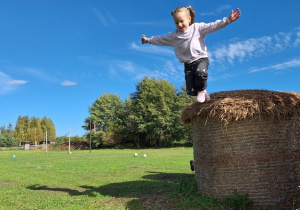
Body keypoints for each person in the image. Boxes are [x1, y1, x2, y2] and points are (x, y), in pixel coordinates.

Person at [141, 6, 241, 103]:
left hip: (201, 59)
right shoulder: (174, 36)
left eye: (181, 21)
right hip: (188, 64)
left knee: (200, 73)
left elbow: (213, 26)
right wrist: (148, 40)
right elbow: (160, 39)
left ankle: (202, 90)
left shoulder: (197, 28)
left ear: (189, 19)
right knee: (191, 91)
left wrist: (227, 20)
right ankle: (205, 96)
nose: (179, 25)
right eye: (176, 23)